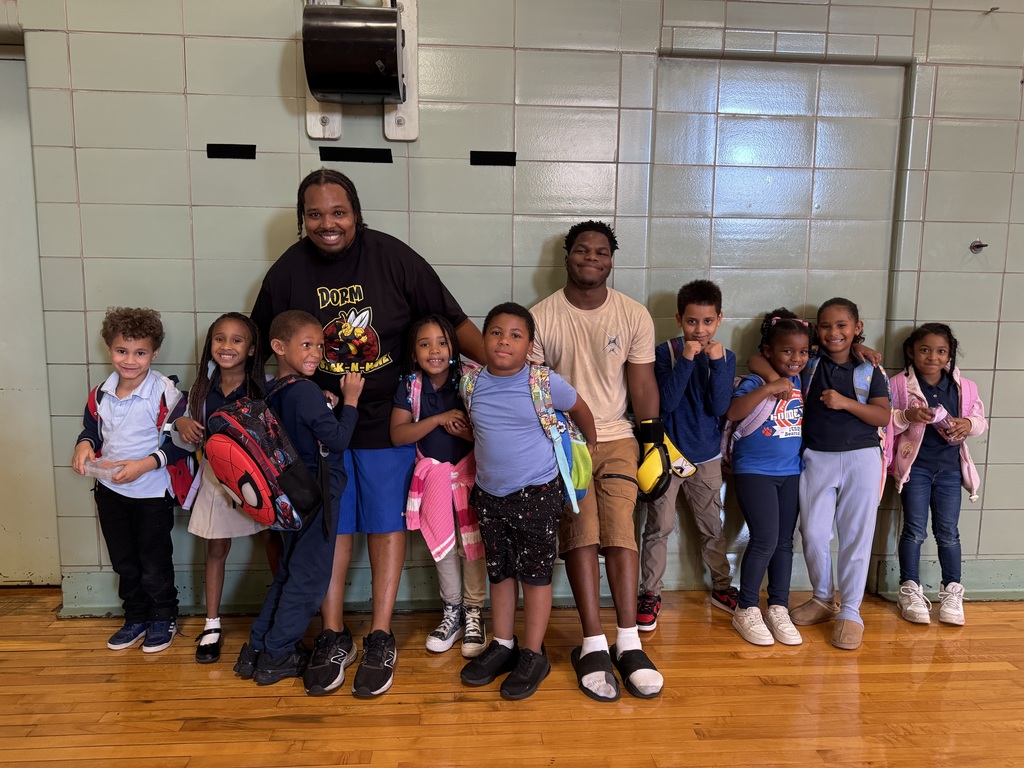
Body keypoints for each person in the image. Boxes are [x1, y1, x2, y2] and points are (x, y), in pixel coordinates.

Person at [250, 168, 483, 698]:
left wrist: (503, 369)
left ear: (355, 213)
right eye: (315, 214)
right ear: (302, 219)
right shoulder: (287, 271)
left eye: (338, 212)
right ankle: (334, 634)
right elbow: (261, 341)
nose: (327, 223)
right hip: (319, 429)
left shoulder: (393, 258)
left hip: (385, 423)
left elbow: (451, 318)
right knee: (331, 530)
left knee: (383, 525)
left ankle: (380, 634)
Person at [530, 220, 663, 702]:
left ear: (611, 259)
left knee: (621, 532)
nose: (592, 258)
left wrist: (653, 442)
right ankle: (592, 644)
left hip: (618, 436)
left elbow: (643, 384)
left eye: (602, 252)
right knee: (582, 534)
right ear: (567, 256)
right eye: (583, 250)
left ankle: (628, 641)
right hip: (564, 442)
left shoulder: (633, 314)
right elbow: (538, 393)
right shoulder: (540, 318)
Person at [459, 303, 597, 700]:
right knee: (500, 573)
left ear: (530, 345)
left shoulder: (543, 381)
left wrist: (591, 443)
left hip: (537, 493)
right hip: (489, 494)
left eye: (515, 335)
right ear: (483, 340)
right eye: (496, 332)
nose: (504, 341)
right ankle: (503, 643)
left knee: (534, 576)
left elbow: (580, 409)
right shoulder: (471, 384)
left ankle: (533, 653)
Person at [234, 310, 363, 689]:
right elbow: (338, 440)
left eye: (320, 346)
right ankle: (277, 655)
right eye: (306, 345)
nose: (316, 353)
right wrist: (350, 401)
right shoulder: (305, 391)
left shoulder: (276, 390)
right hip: (318, 496)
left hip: (290, 496)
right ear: (278, 346)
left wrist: (321, 403)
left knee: (289, 572)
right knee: (307, 579)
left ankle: (256, 651)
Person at [71, 307, 190, 653]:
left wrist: (144, 464)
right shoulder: (101, 394)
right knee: (124, 560)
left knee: (154, 560)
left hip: (151, 492)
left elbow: (182, 444)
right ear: (110, 349)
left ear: (154, 353)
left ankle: (163, 615)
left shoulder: (165, 393)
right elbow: (92, 430)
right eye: (122, 351)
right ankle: (136, 616)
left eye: (140, 353)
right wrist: (83, 445)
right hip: (109, 491)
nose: (130, 361)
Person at [175, 313, 283, 664]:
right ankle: (211, 624)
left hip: (257, 481)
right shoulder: (200, 393)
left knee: (271, 539)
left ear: (252, 349)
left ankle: (282, 611)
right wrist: (182, 422)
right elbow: (176, 425)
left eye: (237, 340)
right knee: (216, 547)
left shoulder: (266, 387)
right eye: (220, 339)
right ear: (210, 347)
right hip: (215, 480)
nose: (227, 346)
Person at [789, 297, 891, 651]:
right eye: (826, 326)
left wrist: (845, 402)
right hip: (818, 457)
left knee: (855, 537)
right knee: (814, 533)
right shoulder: (808, 363)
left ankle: (850, 611)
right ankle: (822, 598)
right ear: (816, 330)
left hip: (863, 458)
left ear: (857, 327)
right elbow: (761, 357)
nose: (835, 332)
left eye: (843, 325)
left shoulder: (869, 370)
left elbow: (882, 416)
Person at [639, 280, 738, 630]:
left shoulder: (725, 357)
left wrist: (718, 366)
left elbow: (720, 406)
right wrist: (686, 359)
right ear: (679, 318)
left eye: (708, 321)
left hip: (707, 456)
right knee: (659, 528)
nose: (700, 329)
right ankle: (650, 593)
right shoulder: (664, 353)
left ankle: (722, 587)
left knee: (712, 527)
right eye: (693, 321)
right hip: (667, 456)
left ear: (720, 319)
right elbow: (666, 403)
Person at [390, 315, 488, 658]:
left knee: (472, 545)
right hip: (432, 478)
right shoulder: (409, 386)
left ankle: (475, 612)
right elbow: (399, 434)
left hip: (471, 472)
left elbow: (491, 433)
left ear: (453, 348)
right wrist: (436, 419)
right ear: (414, 352)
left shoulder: (471, 381)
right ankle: (452, 611)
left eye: (442, 343)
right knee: (442, 545)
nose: (434, 350)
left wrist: (466, 433)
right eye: (424, 343)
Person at [888, 323, 987, 626]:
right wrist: (907, 417)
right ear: (911, 352)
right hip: (915, 469)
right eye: (925, 350)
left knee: (948, 533)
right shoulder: (899, 386)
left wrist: (967, 424)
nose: (933, 357)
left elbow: (980, 420)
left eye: (941, 351)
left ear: (949, 355)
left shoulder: (964, 387)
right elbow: (886, 423)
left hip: (949, 471)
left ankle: (952, 591)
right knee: (914, 530)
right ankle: (910, 589)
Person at [725, 310, 811, 647]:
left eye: (802, 352)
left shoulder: (801, 382)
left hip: (790, 473)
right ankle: (746, 608)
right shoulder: (755, 381)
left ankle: (778, 605)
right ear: (769, 352)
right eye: (787, 351)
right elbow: (733, 413)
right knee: (764, 539)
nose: (796, 358)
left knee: (784, 542)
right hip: (754, 472)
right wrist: (771, 387)